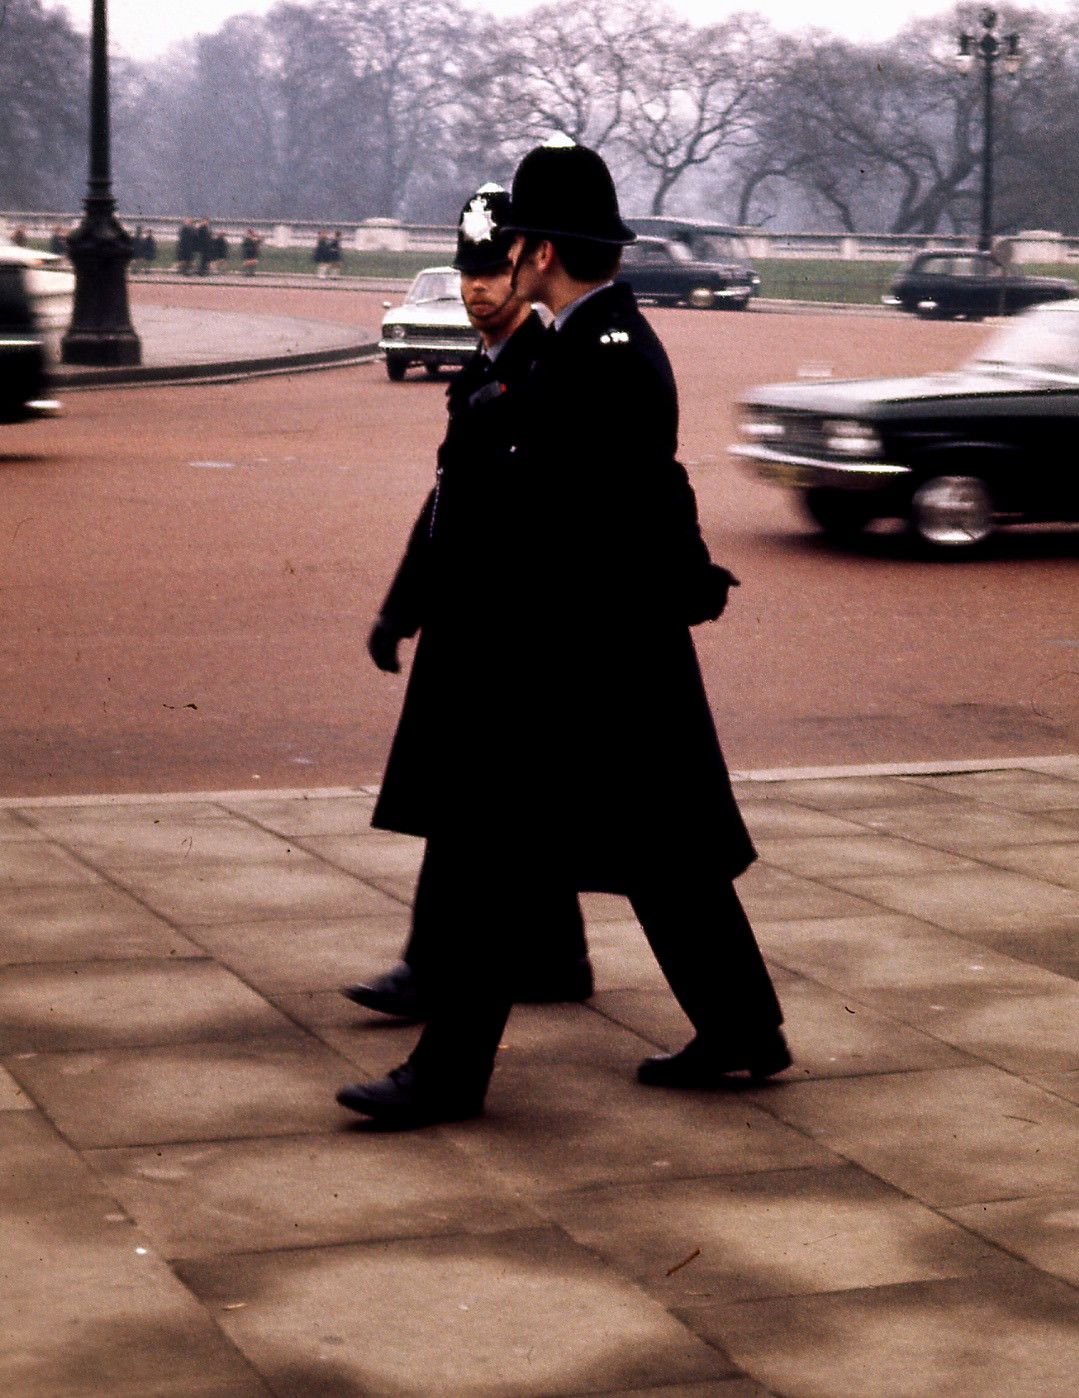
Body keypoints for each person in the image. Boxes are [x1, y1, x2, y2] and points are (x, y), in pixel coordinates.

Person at [336, 139, 788, 1129]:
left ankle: (446, 1075)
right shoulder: (587, 342)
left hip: (577, 656)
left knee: (493, 863)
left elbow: (574, 513)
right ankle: (743, 1032)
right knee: (670, 863)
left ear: (539, 251)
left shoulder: (598, 354)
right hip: (615, 656)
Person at [340, 184, 593, 1021]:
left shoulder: (539, 366)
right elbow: (444, 500)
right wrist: (398, 607)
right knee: (517, 803)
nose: (478, 288)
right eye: (465, 272)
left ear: (522, 268)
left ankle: (428, 965)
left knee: (463, 802)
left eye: (490, 270)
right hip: (467, 614)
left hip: (500, 624)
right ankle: (556, 957)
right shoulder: (487, 367)